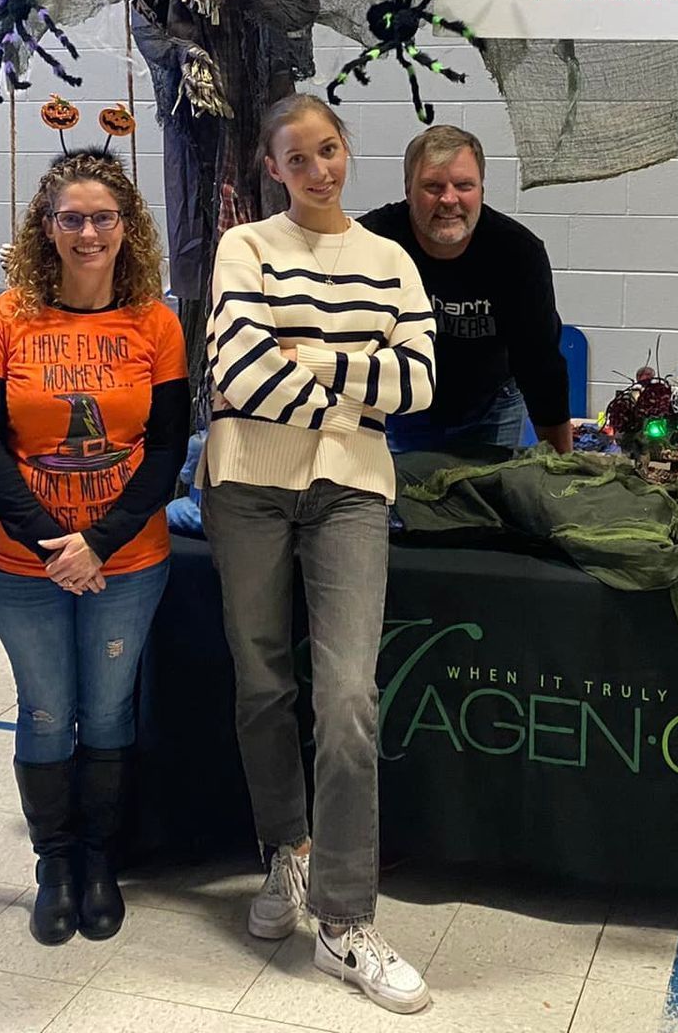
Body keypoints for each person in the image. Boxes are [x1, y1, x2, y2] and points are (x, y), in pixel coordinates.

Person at [201, 93, 437, 1015]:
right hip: (248, 486)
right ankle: (287, 855)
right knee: (263, 684)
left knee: (347, 697)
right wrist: (354, 381)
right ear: (274, 168)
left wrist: (316, 361)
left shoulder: (390, 261)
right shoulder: (244, 249)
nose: (319, 170)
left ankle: (346, 922)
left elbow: (416, 382)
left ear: (347, 151)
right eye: (298, 159)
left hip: (350, 491)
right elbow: (239, 370)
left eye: (330, 151)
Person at [0, 151, 189, 948]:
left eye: (103, 218)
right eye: (71, 218)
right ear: (46, 228)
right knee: (46, 710)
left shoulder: (155, 323)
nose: (88, 232)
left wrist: (96, 544)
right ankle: (54, 864)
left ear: (126, 229)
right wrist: (52, 543)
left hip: (125, 561)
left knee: (107, 708)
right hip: (22, 562)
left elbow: (165, 451)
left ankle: (100, 860)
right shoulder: (6, 318)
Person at [359, 125, 571, 455]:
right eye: (432, 186)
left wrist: (563, 466)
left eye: (463, 185)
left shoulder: (519, 253)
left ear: (482, 190)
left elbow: (540, 364)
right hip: (399, 410)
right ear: (407, 189)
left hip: (492, 408)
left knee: (486, 502)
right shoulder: (370, 244)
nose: (449, 199)